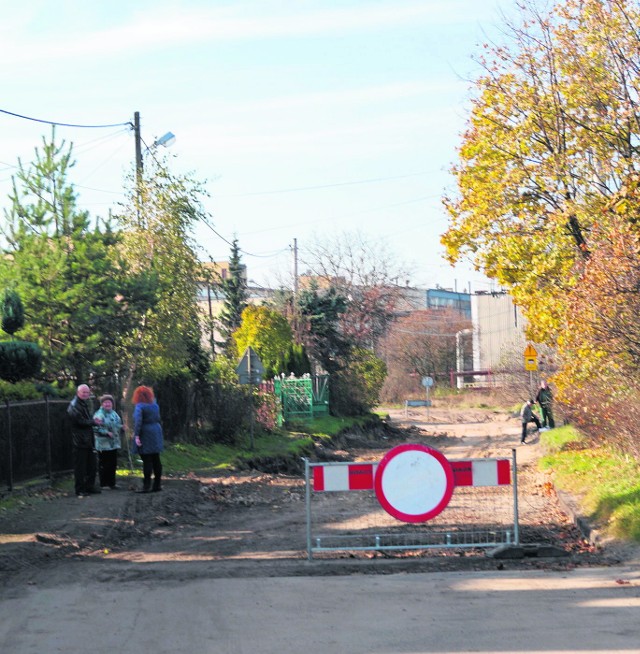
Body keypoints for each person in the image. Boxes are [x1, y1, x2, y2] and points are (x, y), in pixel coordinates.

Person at [67, 384, 101, 497]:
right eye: (83, 392)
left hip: (87, 439)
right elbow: (80, 421)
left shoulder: (83, 404)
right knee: (80, 467)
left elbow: (85, 420)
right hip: (80, 440)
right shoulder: (74, 405)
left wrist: (92, 421)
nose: (86, 394)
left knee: (92, 465)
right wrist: (93, 422)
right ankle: (80, 489)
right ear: (78, 393)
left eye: (87, 392)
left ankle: (89, 487)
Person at [132, 385, 164, 493]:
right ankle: (157, 484)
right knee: (156, 458)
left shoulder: (139, 407)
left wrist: (136, 435)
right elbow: (158, 418)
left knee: (147, 460)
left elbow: (138, 422)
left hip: (145, 432)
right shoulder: (155, 406)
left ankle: (146, 486)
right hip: (156, 430)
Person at [93, 394, 123, 490]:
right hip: (103, 444)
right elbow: (95, 428)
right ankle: (104, 484)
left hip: (114, 443)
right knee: (104, 464)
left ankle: (112, 483)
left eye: (109, 402)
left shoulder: (114, 413)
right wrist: (106, 433)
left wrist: (122, 427)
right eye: (105, 402)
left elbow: (118, 424)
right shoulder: (98, 414)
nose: (107, 404)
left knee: (113, 463)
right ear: (102, 404)